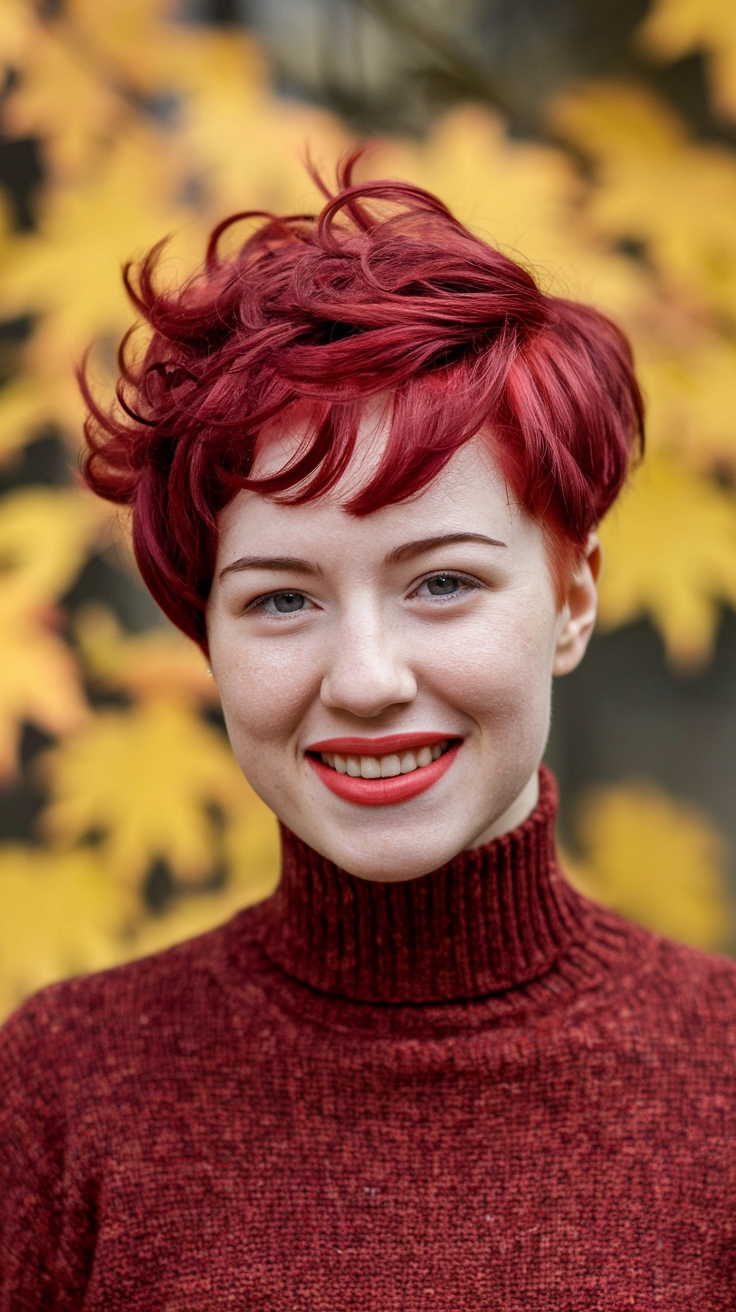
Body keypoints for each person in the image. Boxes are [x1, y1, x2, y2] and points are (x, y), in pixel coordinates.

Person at [1, 160, 735, 1312]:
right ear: (205, 635)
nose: (365, 680)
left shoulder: (720, 1080)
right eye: (281, 599)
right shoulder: (66, 1086)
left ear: (572, 599)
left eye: (441, 582)